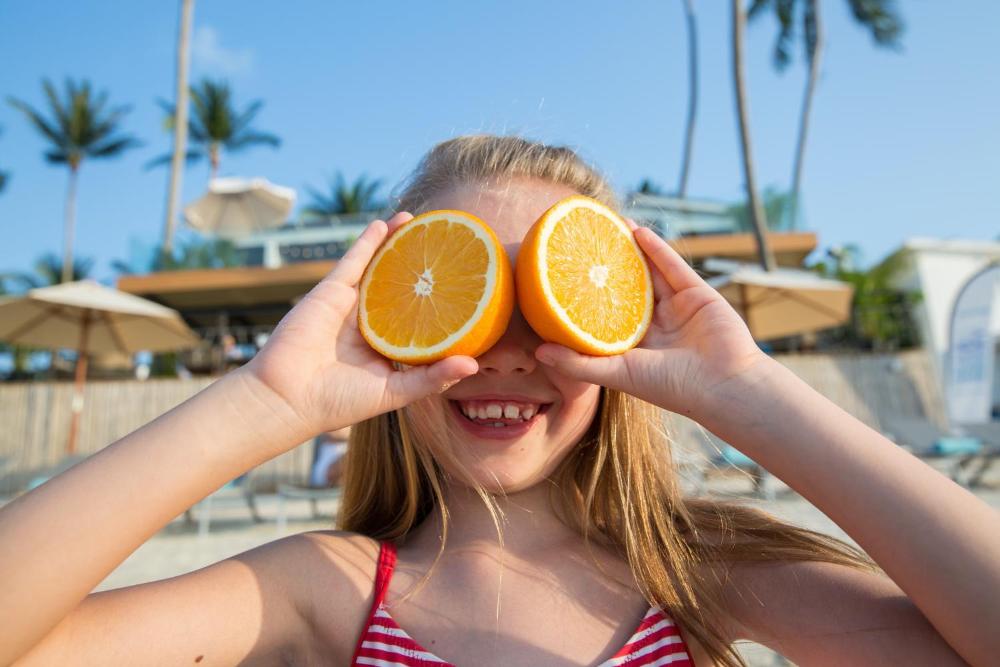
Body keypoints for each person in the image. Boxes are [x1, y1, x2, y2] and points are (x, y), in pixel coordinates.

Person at [2, 135, 997, 666]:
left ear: (620, 327)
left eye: (552, 302)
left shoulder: (694, 574)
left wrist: (751, 395)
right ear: (394, 313)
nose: (511, 350)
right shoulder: (326, 589)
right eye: (465, 301)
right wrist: (265, 400)